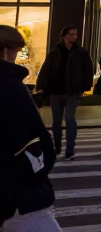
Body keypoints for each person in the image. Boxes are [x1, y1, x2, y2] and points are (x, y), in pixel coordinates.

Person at [0, 25, 59, 232]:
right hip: (19, 196)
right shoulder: (10, 86)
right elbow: (30, 139)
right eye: (15, 51)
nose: (16, 56)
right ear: (6, 51)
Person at [33, 26, 94, 161]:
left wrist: (84, 87)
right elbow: (46, 69)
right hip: (56, 91)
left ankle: (70, 148)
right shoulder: (55, 52)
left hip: (73, 91)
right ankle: (58, 146)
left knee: (69, 117)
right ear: (64, 36)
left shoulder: (81, 52)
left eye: (76, 34)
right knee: (56, 121)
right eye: (72, 34)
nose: (75, 37)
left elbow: (88, 69)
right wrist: (41, 86)